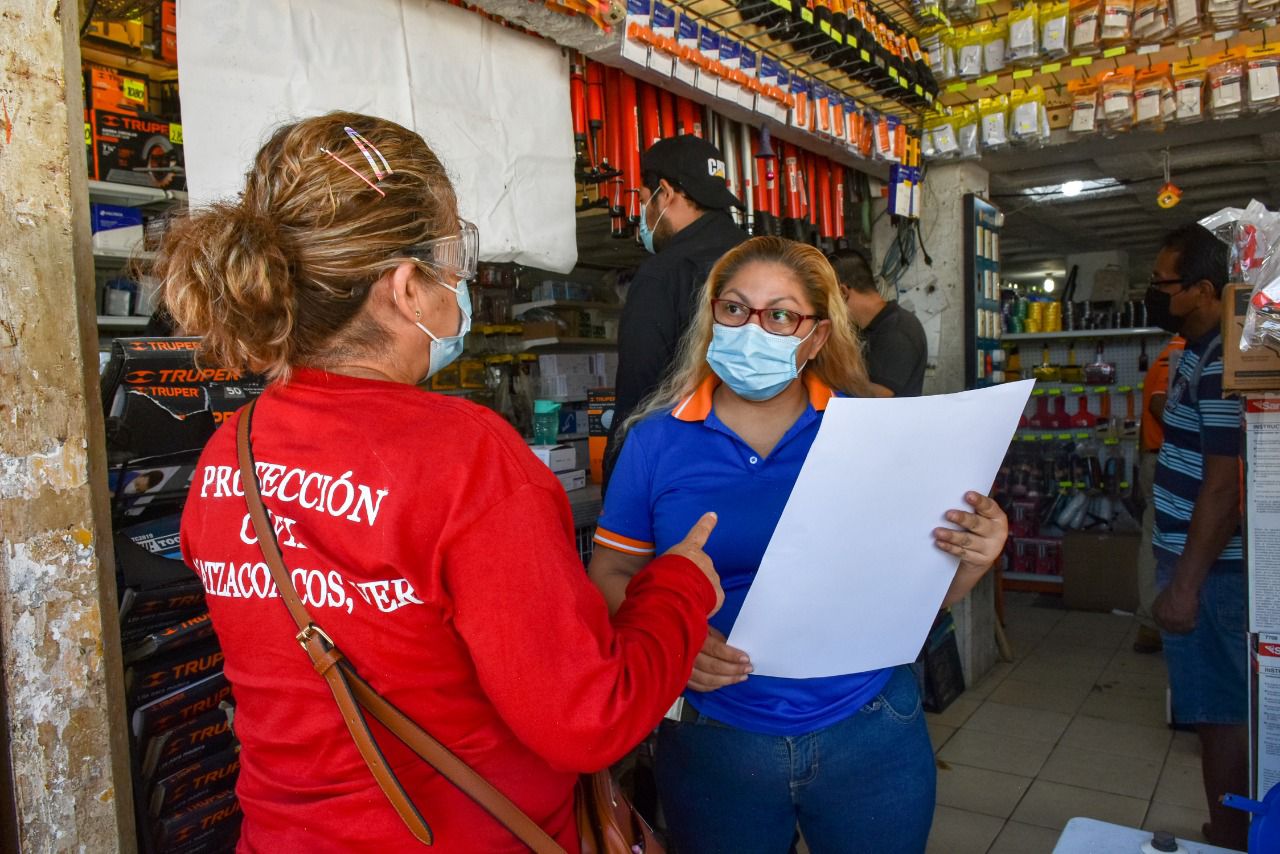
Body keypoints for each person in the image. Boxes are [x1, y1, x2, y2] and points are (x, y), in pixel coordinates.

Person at [158, 112, 725, 852]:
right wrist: (679, 587)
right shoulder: (467, 458)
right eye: (453, 251)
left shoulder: (227, 454)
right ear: (405, 289)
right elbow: (590, 721)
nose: (461, 278)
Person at [588, 237, 1010, 853]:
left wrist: (973, 556)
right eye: (735, 309)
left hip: (867, 727)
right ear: (711, 321)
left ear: (815, 337)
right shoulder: (654, 441)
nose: (753, 329)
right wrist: (668, 638)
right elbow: (611, 572)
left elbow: (915, 598)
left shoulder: (870, 432)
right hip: (716, 738)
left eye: (780, 314)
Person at [1145, 223, 1247, 850]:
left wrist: (1185, 587)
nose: (1154, 294)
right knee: (1213, 710)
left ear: (1203, 289)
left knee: (1220, 712)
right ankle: (1229, 824)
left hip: (1211, 574)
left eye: (1164, 283)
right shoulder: (1199, 351)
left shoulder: (1222, 363)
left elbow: (1223, 487)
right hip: (1197, 564)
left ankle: (1232, 834)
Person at [604, 134, 748, 490]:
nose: (644, 212)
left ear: (664, 194)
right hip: (769, 462)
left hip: (685, 476)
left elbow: (639, 400)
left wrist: (619, 493)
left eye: (642, 199)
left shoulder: (663, 275)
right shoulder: (767, 262)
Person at [1133, 335, 1185, 654]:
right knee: (1158, 542)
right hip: (1164, 458)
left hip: (1161, 457)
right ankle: (1152, 624)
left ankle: (1153, 624)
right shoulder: (1179, 352)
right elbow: (1158, 401)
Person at [829, 248, 928, 397]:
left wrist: (824, 375)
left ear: (843, 293)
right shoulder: (871, 328)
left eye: (826, 298)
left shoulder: (898, 331)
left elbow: (877, 395)